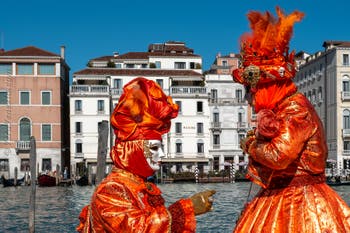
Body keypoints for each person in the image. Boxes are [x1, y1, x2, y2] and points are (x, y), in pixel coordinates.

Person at [232, 7, 350, 233]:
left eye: (253, 91)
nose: (250, 98)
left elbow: (278, 156)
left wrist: (249, 145)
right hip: (278, 196)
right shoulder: (285, 109)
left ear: (267, 87)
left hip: (301, 201)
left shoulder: (295, 108)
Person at [77, 77, 215, 233]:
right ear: (134, 149)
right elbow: (136, 229)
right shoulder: (111, 189)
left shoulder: (138, 185)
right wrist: (186, 208)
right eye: (155, 148)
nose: (162, 154)